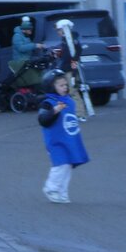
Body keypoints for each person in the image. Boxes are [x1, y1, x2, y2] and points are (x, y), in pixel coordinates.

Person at [37, 68, 89, 203]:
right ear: (51, 87)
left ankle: (62, 192)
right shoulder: (48, 102)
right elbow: (42, 119)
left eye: (65, 85)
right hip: (56, 141)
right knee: (61, 164)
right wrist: (54, 111)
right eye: (60, 85)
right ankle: (51, 188)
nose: (64, 87)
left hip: (69, 139)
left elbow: (71, 119)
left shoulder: (68, 100)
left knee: (68, 166)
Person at [53, 18, 91, 119]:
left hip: (70, 70)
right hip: (65, 69)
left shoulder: (72, 40)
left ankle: (80, 114)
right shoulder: (66, 40)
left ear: (64, 29)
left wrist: (73, 70)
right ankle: (70, 112)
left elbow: (74, 57)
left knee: (73, 91)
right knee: (64, 91)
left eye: (59, 30)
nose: (58, 33)